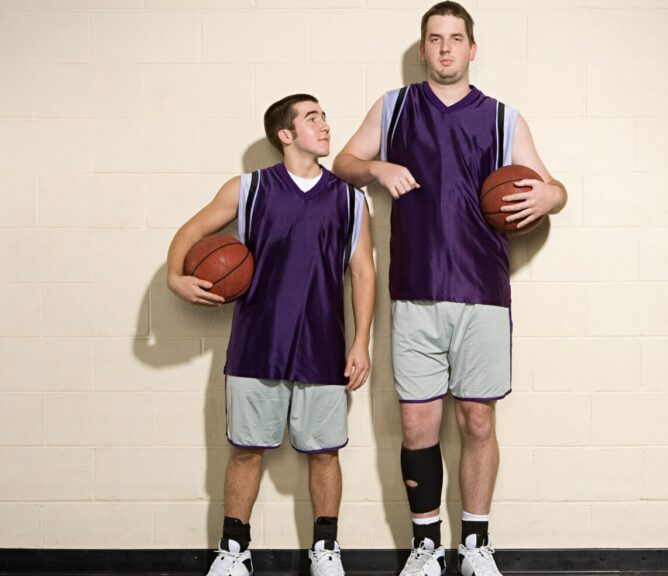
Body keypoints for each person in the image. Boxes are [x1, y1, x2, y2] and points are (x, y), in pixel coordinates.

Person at [332, 3, 567, 575]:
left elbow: (552, 185)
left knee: (478, 422)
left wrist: (550, 196)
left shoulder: (503, 118)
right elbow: (343, 161)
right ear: (422, 49)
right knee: (417, 424)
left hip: (483, 291)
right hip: (414, 292)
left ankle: (477, 546)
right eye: (435, 39)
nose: (444, 49)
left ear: (471, 49)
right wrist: (376, 170)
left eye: (455, 39)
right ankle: (425, 547)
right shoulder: (393, 107)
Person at [166, 93, 375, 576]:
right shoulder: (249, 188)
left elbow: (363, 272)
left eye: (323, 116)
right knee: (245, 450)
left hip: (322, 344)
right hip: (257, 342)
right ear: (286, 134)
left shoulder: (349, 198)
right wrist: (175, 279)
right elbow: (192, 229)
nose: (325, 125)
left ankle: (326, 549)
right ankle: (234, 551)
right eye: (312, 118)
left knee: (324, 453)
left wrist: (361, 340)